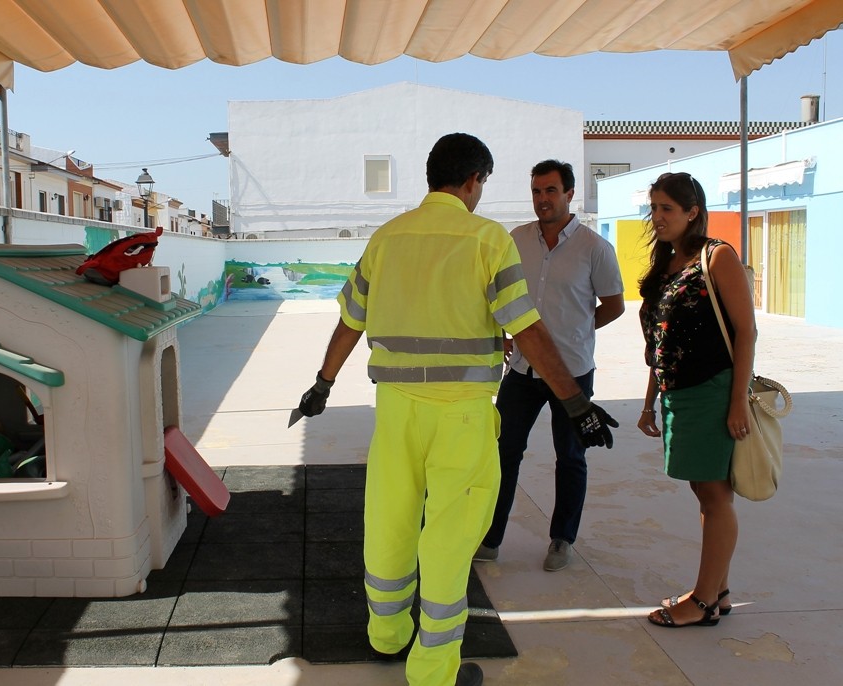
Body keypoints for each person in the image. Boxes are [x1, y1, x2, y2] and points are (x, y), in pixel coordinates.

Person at [294, 133, 617, 686]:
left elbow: (351, 319)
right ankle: (435, 671)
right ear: (473, 180)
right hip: (461, 415)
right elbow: (528, 329)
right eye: (482, 184)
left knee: (390, 519)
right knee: (447, 536)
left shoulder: (387, 237)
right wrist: (574, 400)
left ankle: (387, 635)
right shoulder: (488, 239)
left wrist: (322, 384)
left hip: (395, 412)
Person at [474, 160, 625, 571]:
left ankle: (562, 539)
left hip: (571, 372)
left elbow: (614, 305)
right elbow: (497, 294)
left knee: (571, 456)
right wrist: (504, 334)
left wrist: (579, 328)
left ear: (570, 194)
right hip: (521, 371)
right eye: (537, 191)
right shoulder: (515, 240)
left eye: (551, 191)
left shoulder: (594, 249)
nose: (543, 199)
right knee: (502, 453)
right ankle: (489, 538)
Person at [636, 172, 756, 628]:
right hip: (676, 394)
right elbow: (657, 345)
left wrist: (737, 401)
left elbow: (746, 331)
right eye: (654, 207)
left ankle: (703, 601)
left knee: (714, 494)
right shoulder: (664, 263)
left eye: (668, 208)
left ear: (693, 212)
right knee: (704, 492)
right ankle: (717, 591)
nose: (658, 216)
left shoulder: (716, 256)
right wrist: (649, 402)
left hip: (711, 390)